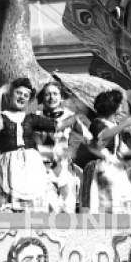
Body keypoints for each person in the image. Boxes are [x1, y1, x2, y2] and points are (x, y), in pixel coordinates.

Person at [0, 78, 75, 211]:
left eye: (26, 95)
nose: (22, 97)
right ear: (10, 95)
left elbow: (58, 125)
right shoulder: (3, 116)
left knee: (33, 197)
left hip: (30, 161)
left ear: (28, 101)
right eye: (18, 93)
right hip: (9, 163)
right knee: (10, 197)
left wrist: (78, 116)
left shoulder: (31, 118)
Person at [81, 91, 131, 213]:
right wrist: (124, 124)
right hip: (100, 167)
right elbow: (104, 136)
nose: (122, 107)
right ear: (112, 106)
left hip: (116, 167)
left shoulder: (114, 124)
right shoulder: (97, 123)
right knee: (104, 202)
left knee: (123, 201)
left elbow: (122, 150)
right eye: (120, 104)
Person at [31, 81, 90, 213]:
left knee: (68, 209)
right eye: (47, 94)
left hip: (65, 169)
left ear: (61, 97)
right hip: (42, 170)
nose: (51, 98)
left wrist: (71, 150)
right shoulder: (35, 118)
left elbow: (87, 137)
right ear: (43, 98)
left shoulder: (71, 117)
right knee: (48, 209)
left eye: (55, 94)